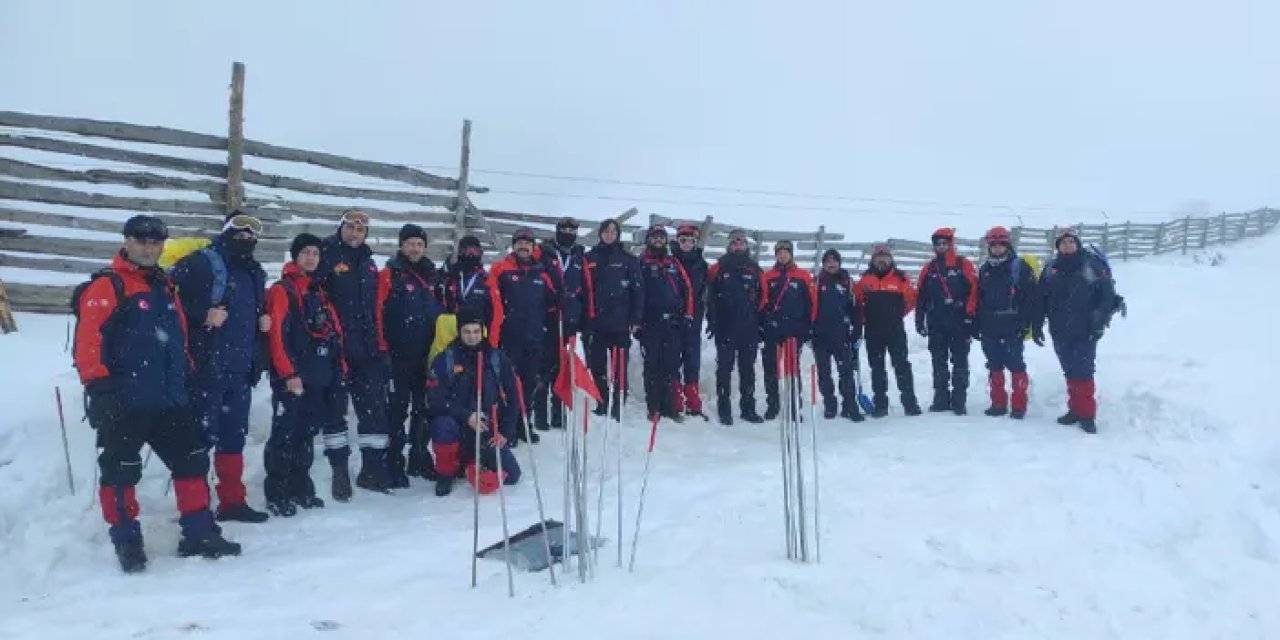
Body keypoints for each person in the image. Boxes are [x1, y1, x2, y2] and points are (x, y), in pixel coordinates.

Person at [74, 215, 241, 573]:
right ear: (127, 242)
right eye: (141, 239)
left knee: (193, 459)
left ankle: (197, 532)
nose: (149, 247)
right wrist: (99, 388)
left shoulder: (164, 286)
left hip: (170, 400)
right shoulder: (109, 286)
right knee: (121, 471)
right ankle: (127, 541)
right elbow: (88, 342)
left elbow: (178, 337)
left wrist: (187, 375)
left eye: (155, 241)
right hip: (124, 399)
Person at [169, 210, 271, 524]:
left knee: (233, 438)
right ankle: (197, 512)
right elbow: (170, 300)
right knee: (199, 441)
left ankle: (232, 502)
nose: (246, 236)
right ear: (226, 230)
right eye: (239, 229)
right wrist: (203, 314)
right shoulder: (203, 262)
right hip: (206, 368)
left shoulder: (255, 271)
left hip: (239, 369)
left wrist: (260, 337)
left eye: (252, 231)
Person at [263, 233, 347, 516]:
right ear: (295, 256)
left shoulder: (318, 291)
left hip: (316, 376)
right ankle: (277, 491)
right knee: (284, 435)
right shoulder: (282, 290)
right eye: (306, 253)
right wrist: (288, 374)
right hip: (292, 378)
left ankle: (301, 486)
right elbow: (277, 336)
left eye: (315, 253)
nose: (311, 258)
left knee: (306, 434)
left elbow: (333, 334)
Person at [315, 208, 392, 495]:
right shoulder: (326, 256)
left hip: (368, 349)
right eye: (350, 227)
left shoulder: (369, 263)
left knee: (373, 410)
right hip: (338, 350)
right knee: (336, 412)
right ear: (341, 227)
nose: (355, 233)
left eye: (361, 230)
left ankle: (372, 470)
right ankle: (339, 472)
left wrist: (380, 346)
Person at [426, 308, 523, 497]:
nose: (472, 337)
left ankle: (474, 464)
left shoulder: (496, 358)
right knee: (442, 425)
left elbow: (512, 397)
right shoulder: (445, 359)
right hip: (457, 426)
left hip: (486, 428)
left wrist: (505, 432)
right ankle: (445, 474)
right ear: (459, 332)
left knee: (512, 475)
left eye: (476, 332)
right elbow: (435, 400)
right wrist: (466, 416)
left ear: (483, 331)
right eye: (467, 332)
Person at [376, 224, 444, 487]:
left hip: (427, 355)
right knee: (397, 409)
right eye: (410, 243)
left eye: (419, 244)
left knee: (424, 407)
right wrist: (383, 349)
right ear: (401, 245)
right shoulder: (390, 274)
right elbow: (377, 311)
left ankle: (419, 455)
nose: (415, 248)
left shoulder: (432, 275)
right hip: (398, 354)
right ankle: (393, 461)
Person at [1036, 228, 1117, 434]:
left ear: (1077, 244)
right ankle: (1074, 410)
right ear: (1058, 247)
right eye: (1063, 242)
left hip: (1085, 329)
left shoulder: (1091, 265)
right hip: (1059, 329)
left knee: (1084, 371)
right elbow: (1040, 299)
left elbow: (1107, 294)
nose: (1067, 245)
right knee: (1070, 370)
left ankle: (1087, 415)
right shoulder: (1050, 269)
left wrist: (1099, 320)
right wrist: (1036, 324)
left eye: (1071, 241)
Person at [488, 228, 562, 444]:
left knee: (529, 385)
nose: (523, 247)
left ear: (533, 247)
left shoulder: (542, 273)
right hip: (509, 339)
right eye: (519, 243)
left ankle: (524, 424)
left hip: (534, 339)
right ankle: (507, 429)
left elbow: (554, 300)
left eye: (527, 244)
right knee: (509, 386)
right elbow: (492, 301)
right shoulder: (501, 270)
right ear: (513, 246)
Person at [975, 226, 1041, 420]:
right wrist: (977, 323)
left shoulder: (1020, 267)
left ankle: (1019, 406)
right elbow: (980, 298)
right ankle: (998, 403)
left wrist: (1031, 324)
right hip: (990, 326)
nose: (996, 248)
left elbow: (1032, 298)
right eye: (993, 244)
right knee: (994, 365)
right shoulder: (985, 270)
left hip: (1013, 325)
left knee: (1016, 365)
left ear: (1007, 245)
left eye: (1000, 244)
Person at [536, 217, 594, 430]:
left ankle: (559, 413)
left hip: (570, 320)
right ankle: (541, 416)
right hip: (548, 318)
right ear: (558, 230)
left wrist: (587, 318)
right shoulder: (544, 253)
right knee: (544, 368)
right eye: (565, 229)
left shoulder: (579, 256)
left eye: (572, 229)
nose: (568, 232)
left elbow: (587, 288)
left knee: (563, 368)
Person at [915, 227, 979, 415]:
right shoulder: (929, 268)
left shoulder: (963, 264)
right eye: (938, 244)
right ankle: (941, 398)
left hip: (959, 321)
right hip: (936, 322)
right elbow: (921, 295)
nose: (941, 247)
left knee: (960, 361)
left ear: (951, 244)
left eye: (945, 243)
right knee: (938, 361)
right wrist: (919, 318)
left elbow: (974, 292)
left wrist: (969, 316)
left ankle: (959, 400)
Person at [584, 218, 644, 419]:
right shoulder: (589, 257)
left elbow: (638, 291)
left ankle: (618, 404)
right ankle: (602, 401)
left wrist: (635, 318)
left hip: (620, 322)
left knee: (619, 367)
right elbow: (583, 290)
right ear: (600, 233)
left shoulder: (628, 259)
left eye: (613, 231)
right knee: (597, 365)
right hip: (596, 323)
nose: (610, 235)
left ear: (618, 235)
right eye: (606, 231)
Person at [705, 229, 766, 425]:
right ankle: (724, 410)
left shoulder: (755, 269)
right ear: (729, 245)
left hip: (749, 328)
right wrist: (712, 320)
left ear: (746, 245)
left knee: (748, 370)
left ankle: (748, 408)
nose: (738, 245)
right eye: (734, 242)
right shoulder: (717, 268)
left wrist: (760, 323)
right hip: (725, 327)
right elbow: (709, 297)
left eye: (741, 242)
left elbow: (764, 298)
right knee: (724, 370)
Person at [854, 244, 922, 417]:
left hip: (895, 331)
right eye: (878, 257)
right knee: (876, 368)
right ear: (873, 259)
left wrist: (897, 315)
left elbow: (910, 301)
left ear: (891, 259)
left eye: (885, 257)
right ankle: (880, 405)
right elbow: (858, 303)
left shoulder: (901, 278)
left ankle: (910, 403)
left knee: (902, 366)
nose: (882, 260)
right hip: (873, 331)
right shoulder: (864, 280)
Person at [637, 225, 695, 422]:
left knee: (670, 366)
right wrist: (637, 322)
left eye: (662, 237)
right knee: (651, 365)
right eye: (655, 237)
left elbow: (687, 289)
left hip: (672, 323)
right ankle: (653, 407)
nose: (659, 241)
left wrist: (687, 315)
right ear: (648, 240)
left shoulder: (673, 263)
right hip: (650, 323)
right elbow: (636, 293)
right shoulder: (642, 263)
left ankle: (669, 407)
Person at [759, 240, 818, 420]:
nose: (782, 255)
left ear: (791, 254)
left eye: (785, 252)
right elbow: (762, 302)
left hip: (795, 330)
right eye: (779, 252)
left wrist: (809, 326)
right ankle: (773, 404)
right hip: (773, 330)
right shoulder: (767, 276)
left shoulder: (803, 276)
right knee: (771, 368)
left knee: (792, 369)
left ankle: (794, 407)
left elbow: (812, 303)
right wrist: (763, 324)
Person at [813, 249, 865, 421]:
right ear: (823, 264)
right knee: (824, 372)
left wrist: (857, 330)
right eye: (828, 261)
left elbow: (856, 308)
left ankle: (850, 405)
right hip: (820, 334)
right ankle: (830, 404)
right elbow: (809, 307)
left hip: (842, 334)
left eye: (834, 260)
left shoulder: (848, 282)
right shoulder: (817, 282)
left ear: (839, 263)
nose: (831, 263)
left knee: (846, 371)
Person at [672, 223, 709, 418]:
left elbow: (707, 292)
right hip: (674, 319)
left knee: (692, 359)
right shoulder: (670, 261)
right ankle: (676, 398)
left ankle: (693, 399)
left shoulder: (701, 264)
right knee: (673, 358)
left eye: (690, 241)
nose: (686, 244)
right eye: (682, 240)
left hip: (694, 319)